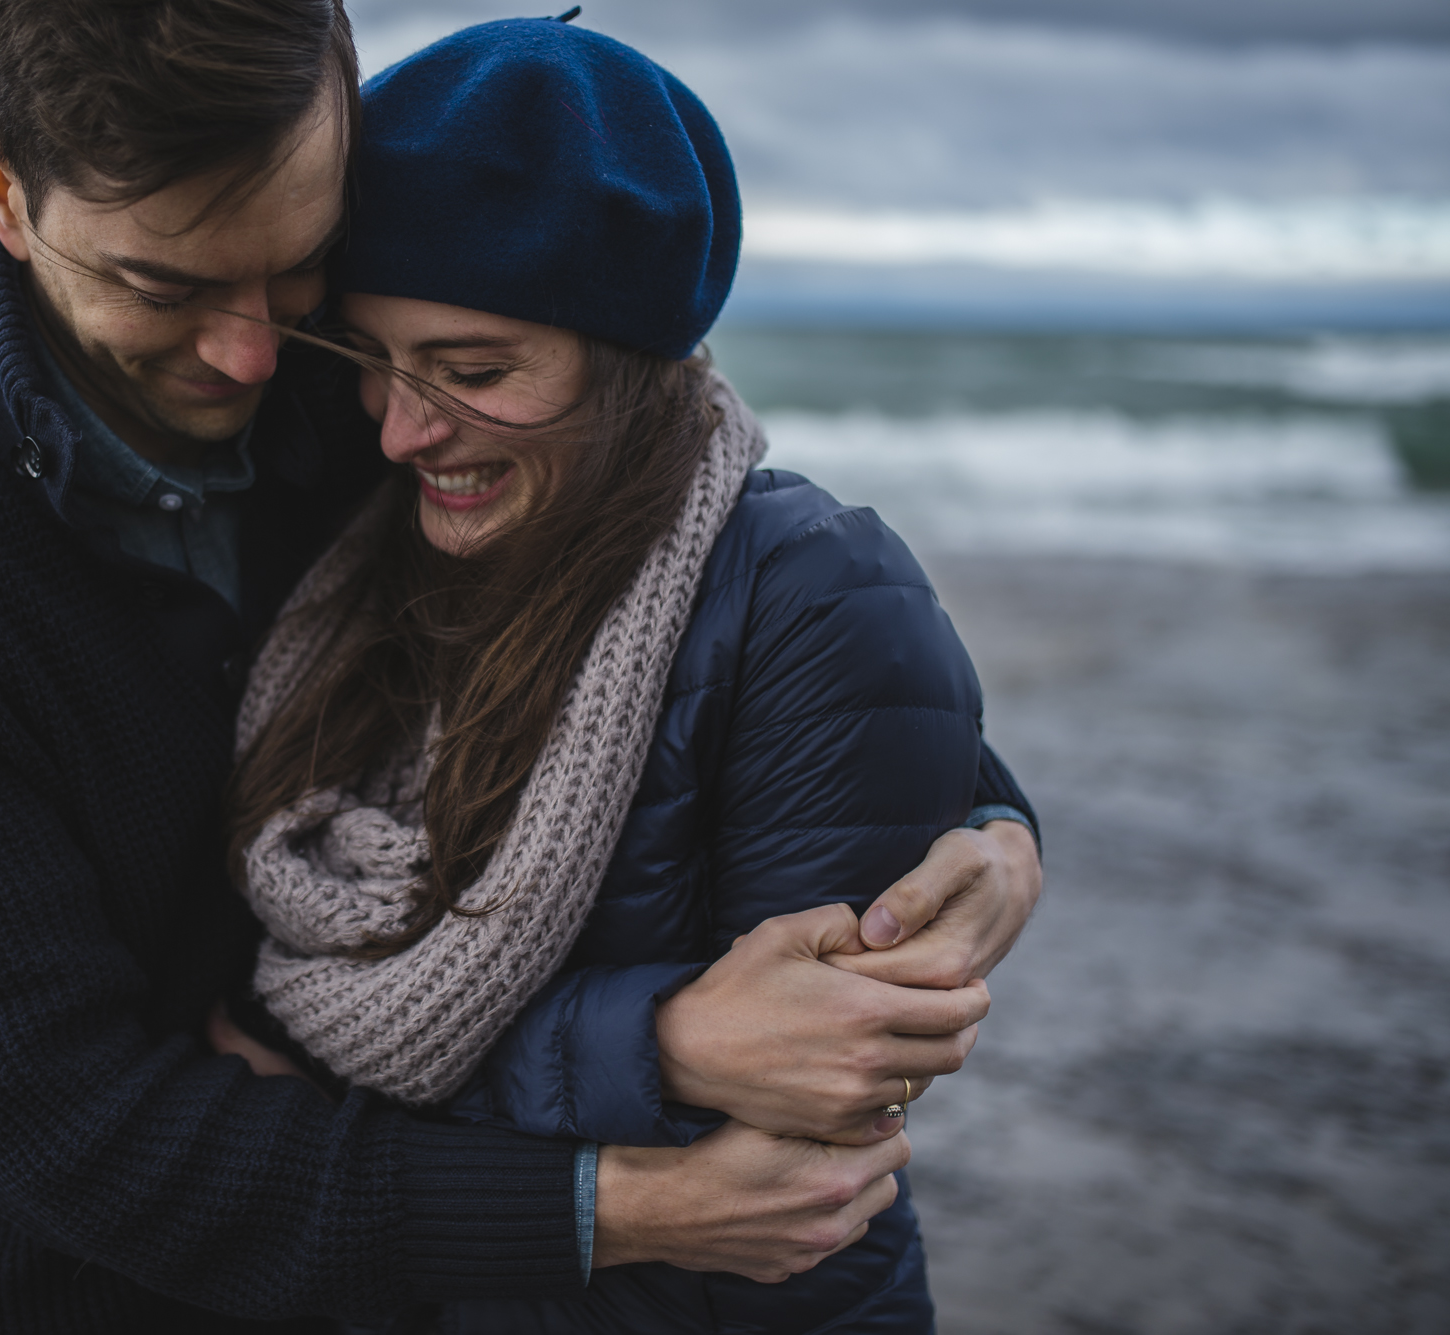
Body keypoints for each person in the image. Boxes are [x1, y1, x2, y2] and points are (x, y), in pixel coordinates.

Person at [0, 2, 1041, 1331]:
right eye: (164, 286)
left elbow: (667, 543)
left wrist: (985, 818)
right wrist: (619, 1187)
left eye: (294, 269)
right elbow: (65, 1121)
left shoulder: (356, 367)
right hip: (61, 1289)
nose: (246, 353)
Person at [217, 16, 1033, 1334]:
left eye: (475, 371)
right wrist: (663, 1035)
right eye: (374, 359)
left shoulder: (812, 593)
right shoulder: (366, 550)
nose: (407, 428)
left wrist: (652, 1053)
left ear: (633, 364)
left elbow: (805, 1090)